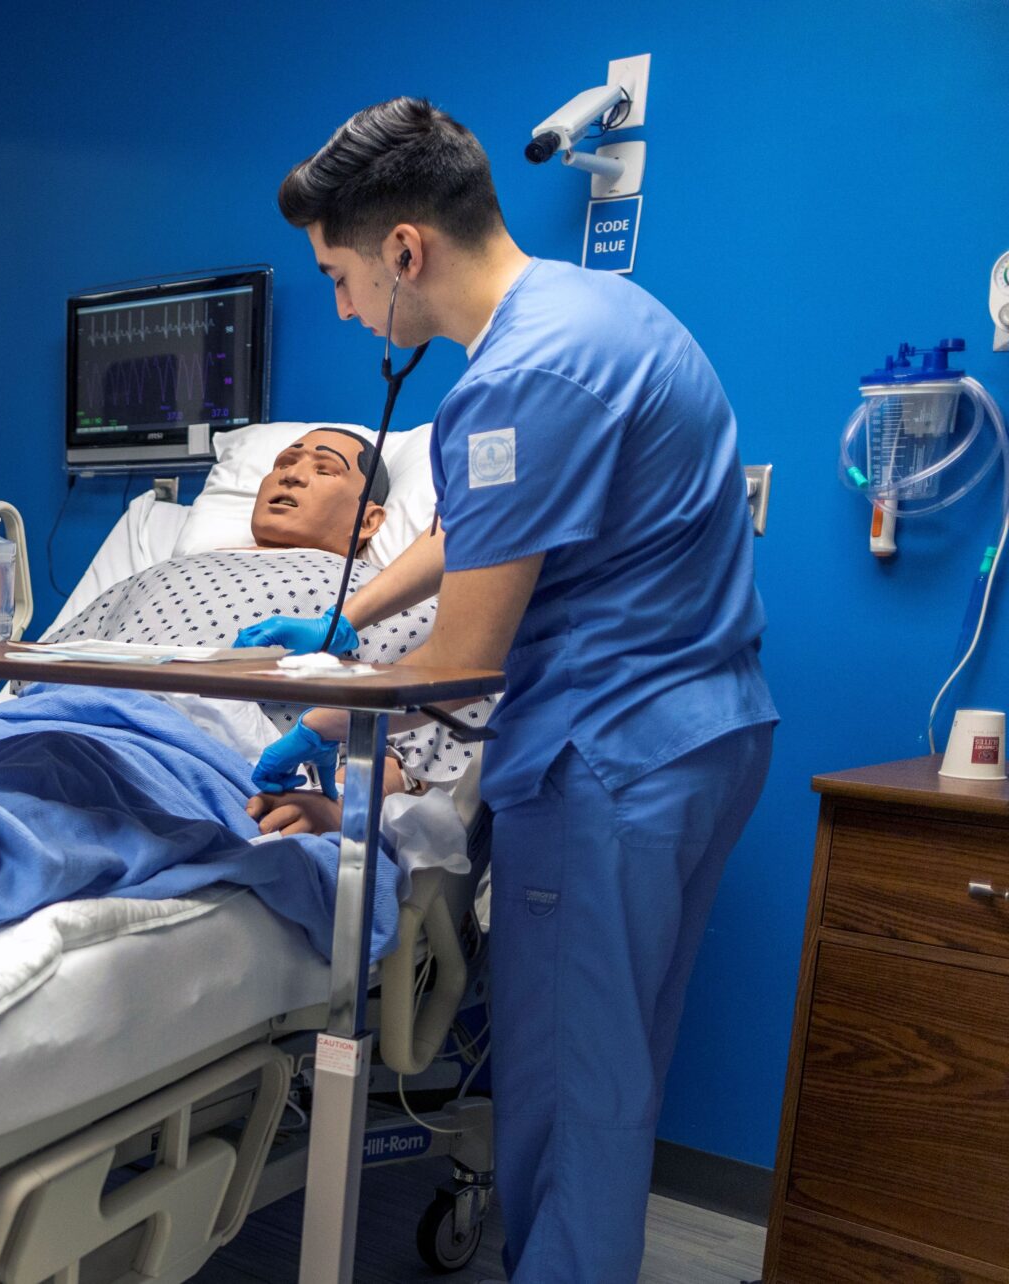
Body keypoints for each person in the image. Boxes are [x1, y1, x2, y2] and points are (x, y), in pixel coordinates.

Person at [242, 98, 776, 1282]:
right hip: (705, 736)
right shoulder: (591, 315)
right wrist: (352, 611)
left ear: (401, 251)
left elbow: (467, 664)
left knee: (570, 1090)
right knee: (615, 1070)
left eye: (335, 276)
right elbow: (494, 518)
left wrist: (323, 714)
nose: (339, 308)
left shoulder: (515, 378)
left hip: (610, 764)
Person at [35, 425, 489, 839]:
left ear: (369, 521)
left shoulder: (385, 599)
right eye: (284, 463)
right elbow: (37, 681)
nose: (291, 475)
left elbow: (398, 756)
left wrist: (340, 806)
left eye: (324, 468)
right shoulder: (159, 573)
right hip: (56, 735)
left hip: (205, 770)